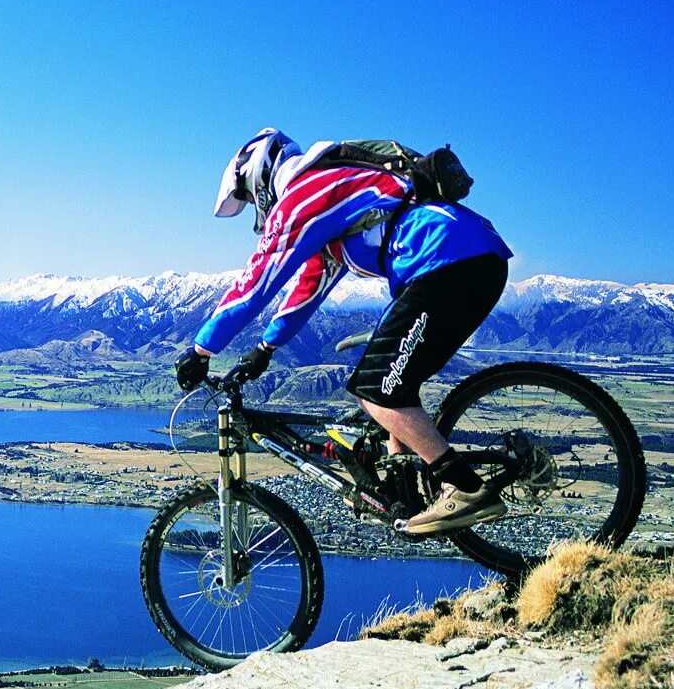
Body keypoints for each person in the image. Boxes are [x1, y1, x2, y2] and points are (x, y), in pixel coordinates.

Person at [174, 128, 513, 535]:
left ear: (259, 177)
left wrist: (201, 350)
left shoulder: (305, 192)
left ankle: (465, 487)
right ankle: (404, 489)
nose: (254, 209)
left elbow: (257, 281)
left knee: (375, 390)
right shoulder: (336, 191)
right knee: (389, 387)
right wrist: (266, 347)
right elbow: (308, 288)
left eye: (247, 198)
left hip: (447, 265)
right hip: (474, 260)